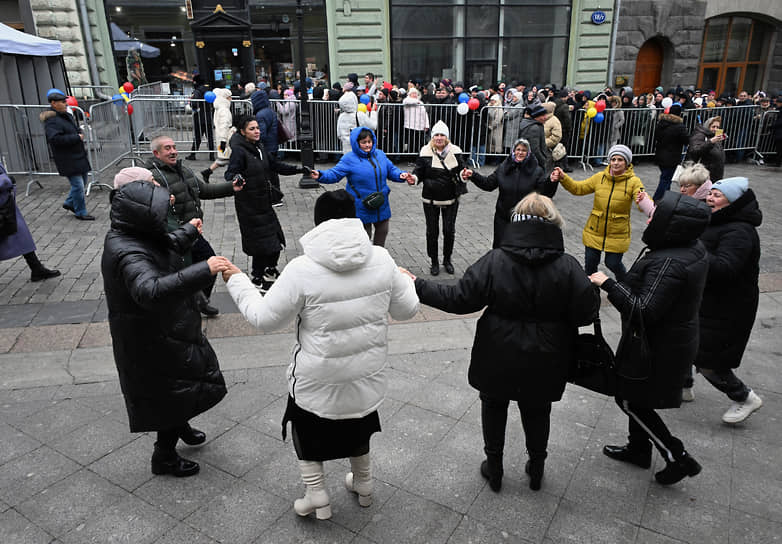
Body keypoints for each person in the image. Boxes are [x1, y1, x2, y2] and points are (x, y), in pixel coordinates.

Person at [221, 189, 419, 520]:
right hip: (365, 377)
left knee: (308, 431)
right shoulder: (383, 260)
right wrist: (404, 280)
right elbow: (408, 309)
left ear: (318, 224)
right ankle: (365, 486)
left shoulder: (302, 269)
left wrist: (238, 281)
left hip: (317, 380)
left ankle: (316, 496)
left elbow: (263, 318)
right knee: (359, 425)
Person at [407, 193, 599, 491]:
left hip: (498, 348)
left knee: (494, 404)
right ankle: (537, 466)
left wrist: (416, 285)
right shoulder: (568, 265)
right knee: (538, 408)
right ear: (553, 223)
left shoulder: (496, 260)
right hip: (549, 352)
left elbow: (458, 299)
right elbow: (587, 312)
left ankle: (494, 467)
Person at [102, 180, 230, 477]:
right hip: (150, 339)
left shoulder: (133, 235)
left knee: (178, 387)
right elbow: (150, 289)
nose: (165, 216)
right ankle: (164, 457)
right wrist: (203, 269)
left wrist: (188, 232)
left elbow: (162, 247)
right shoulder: (127, 252)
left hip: (164, 329)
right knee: (168, 392)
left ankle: (179, 423)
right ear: (142, 215)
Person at [591, 191, 710, 486]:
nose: (649, 217)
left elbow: (643, 310)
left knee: (629, 398)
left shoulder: (669, 262)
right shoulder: (689, 248)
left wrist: (608, 284)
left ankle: (676, 455)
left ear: (672, 224)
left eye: (656, 214)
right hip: (671, 339)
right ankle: (638, 449)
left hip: (660, 345)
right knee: (635, 394)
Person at [147, 136, 244, 316]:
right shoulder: (152, 177)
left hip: (192, 233)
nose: (173, 151)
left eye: (174, 147)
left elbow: (203, 191)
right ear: (156, 153)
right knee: (184, 274)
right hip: (173, 236)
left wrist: (231, 187)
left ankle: (199, 301)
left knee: (210, 264)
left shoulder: (183, 170)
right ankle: (186, 308)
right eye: (167, 148)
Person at [695, 177, 764, 423]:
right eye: (710, 193)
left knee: (709, 361)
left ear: (732, 201)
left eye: (717, 195)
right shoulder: (718, 220)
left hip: (729, 308)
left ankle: (744, 397)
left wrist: (693, 248)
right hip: (710, 302)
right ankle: (681, 386)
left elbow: (724, 268)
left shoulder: (740, 231)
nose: (710, 198)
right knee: (690, 344)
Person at [224, 116, 304, 292]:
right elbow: (230, 173)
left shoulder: (259, 147)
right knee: (261, 245)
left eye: (257, 128)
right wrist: (236, 177)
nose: (257, 131)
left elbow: (275, 165)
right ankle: (257, 279)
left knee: (276, 242)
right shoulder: (239, 151)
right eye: (252, 129)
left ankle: (269, 271)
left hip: (264, 203)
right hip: (249, 206)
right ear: (243, 132)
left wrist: (299, 169)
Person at [550, 144, 644, 282]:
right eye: (613, 159)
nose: (616, 163)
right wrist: (564, 178)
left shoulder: (634, 182)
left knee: (612, 263)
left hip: (617, 233)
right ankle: (589, 292)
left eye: (620, 159)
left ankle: (626, 285)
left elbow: (642, 202)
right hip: (594, 230)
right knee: (590, 265)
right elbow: (578, 188)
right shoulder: (600, 177)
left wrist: (642, 200)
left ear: (627, 162)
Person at [311, 127, 414, 247]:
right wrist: (321, 175)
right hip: (361, 204)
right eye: (363, 142)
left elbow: (391, 169)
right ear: (356, 143)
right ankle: (364, 260)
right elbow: (334, 174)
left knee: (382, 231)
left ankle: (379, 257)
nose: (367, 145)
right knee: (364, 237)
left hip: (381, 203)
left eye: (369, 142)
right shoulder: (349, 159)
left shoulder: (380, 155)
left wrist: (400, 175)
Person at [462, 138, 554, 248]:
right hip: (503, 217)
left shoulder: (537, 171)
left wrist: (552, 181)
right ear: (513, 151)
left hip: (525, 219)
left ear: (528, 153)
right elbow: (488, 184)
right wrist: (473, 175)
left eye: (524, 150)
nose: (520, 152)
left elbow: (545, 193)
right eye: (518, 149)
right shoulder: (503, 167)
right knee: (501, 249)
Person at [411, 121, 468, 276]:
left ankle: (447, 260)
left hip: (451, 199)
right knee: (432, 232)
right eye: (436, 134)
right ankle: (434, 261)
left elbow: (462, 170)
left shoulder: (456, 151)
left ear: (447, 137)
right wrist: (414, 178)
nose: (439, 137)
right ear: (432, 137)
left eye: (442, 135)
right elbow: (418, 171)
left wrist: (464, 175)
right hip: (430, 199)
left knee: (449, 231)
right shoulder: (425, 152)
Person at [40, 88, 95, 221]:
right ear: (53, 103)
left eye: (65, 101)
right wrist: (76, 137)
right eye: (62, 102)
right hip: (67, 157)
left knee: (83, 181)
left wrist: (78, 133)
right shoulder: (52, 120)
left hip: (77, 154)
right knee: (78, 185)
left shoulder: (67, 115)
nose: (66, 104)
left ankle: (70, 202)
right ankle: (80, 211)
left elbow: (75, 128)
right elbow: (55, 139)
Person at [0, 164, 60, 282]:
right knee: (18, 234)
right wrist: (5, 181)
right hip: (3, 205)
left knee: (21, 235)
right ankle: (36, 268)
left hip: (5, 204)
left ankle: (36, 268)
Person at [251, 89, 283, 205]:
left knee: (268, 173)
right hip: (273, 146)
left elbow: (261, 133)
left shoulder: (260, 115)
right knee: (273, 173)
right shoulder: (270, 111)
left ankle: (274, 197)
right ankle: (276, 195)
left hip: (266, 147)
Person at [652, 103, 689, 201]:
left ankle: (665, 197)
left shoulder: (662, 123)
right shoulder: (679, 126)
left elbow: (656, 137)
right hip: (672, 156)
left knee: (665, 177)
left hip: (660, 154)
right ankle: (657, 198)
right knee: (666, 179)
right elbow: (686, 140)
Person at [686, 116, 726, 182]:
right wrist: (711, 142)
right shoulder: (700, 135)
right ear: (708, 126)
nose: (716, 129)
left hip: (714, 174)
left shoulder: (714, 136)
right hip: (702, 174)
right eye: (713, 127)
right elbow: (695, 150)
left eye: (717, 127)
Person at [186, 75, 215, 161]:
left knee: (198, 137)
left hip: (199, 117)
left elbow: (194, 103)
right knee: (210, 137)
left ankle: (193, 154)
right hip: (208, 117)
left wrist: (192, 105)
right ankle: (212, 155)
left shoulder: (197, 91)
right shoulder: (209, 89)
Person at [519, 104, 553, 173]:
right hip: (534, 164)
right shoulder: (534, 128)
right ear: (536, 117)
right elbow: (535, 150)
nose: (545, 117)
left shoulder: (529, 124)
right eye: (542, 115)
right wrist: (543, 161)